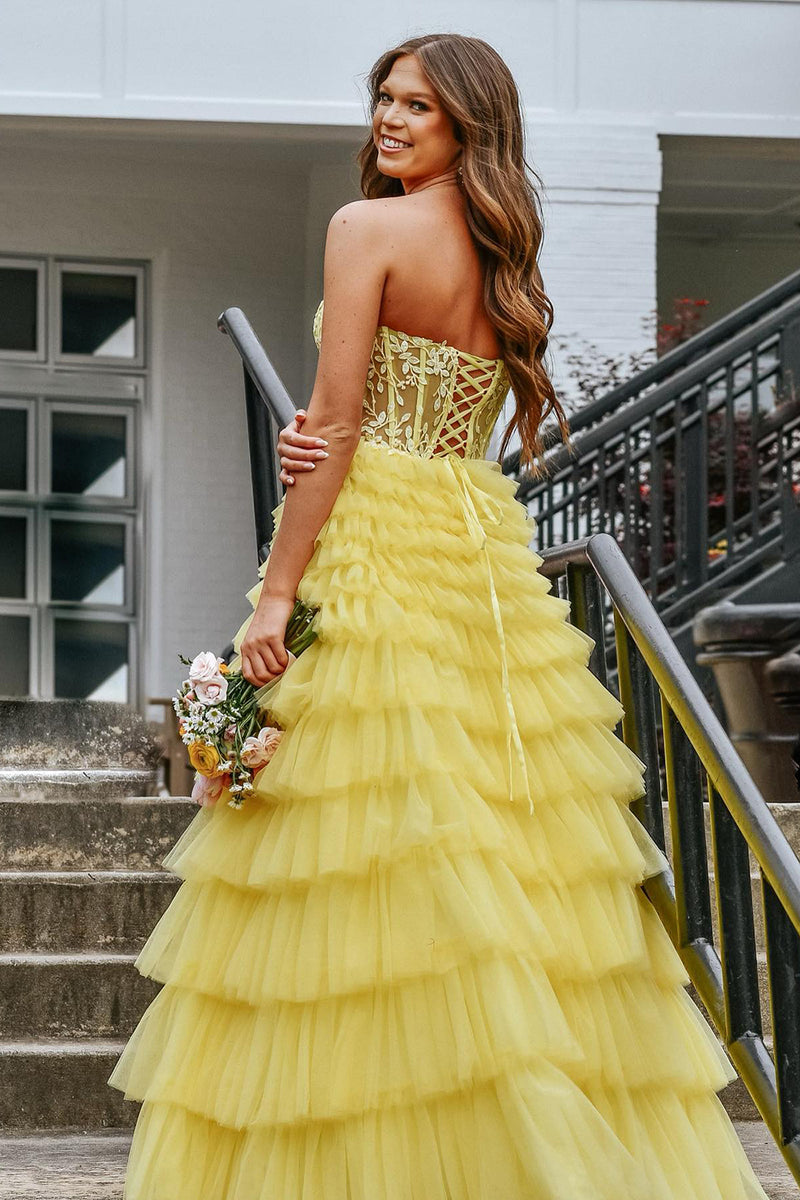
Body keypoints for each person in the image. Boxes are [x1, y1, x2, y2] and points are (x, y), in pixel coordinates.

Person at [108, 33, 770, 1199]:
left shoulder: (364, 231)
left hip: (382, 534)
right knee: (499, 831)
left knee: (360, 840)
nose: (388, 118)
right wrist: (322, 438)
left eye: (416, 103)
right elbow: (466, 428)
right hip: (477, 542)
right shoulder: (500, 248)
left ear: (469, 120)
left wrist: (274, 595)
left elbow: (339, 423)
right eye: (383, 97)